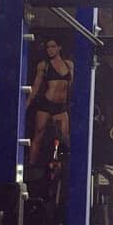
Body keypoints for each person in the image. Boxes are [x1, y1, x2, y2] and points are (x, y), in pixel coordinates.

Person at [28, 37, 73, 167]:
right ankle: (31, 164)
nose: (50, 50)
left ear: (59, 48)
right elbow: (36, 87)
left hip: (61, 106)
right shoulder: (44, 65)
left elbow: (72, 85)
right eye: (48, 47)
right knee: (38, 134)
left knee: (65, 137)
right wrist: (26, 104)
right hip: (46, 104)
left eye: (53, 47)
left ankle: (65, 165)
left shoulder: (68, 64)